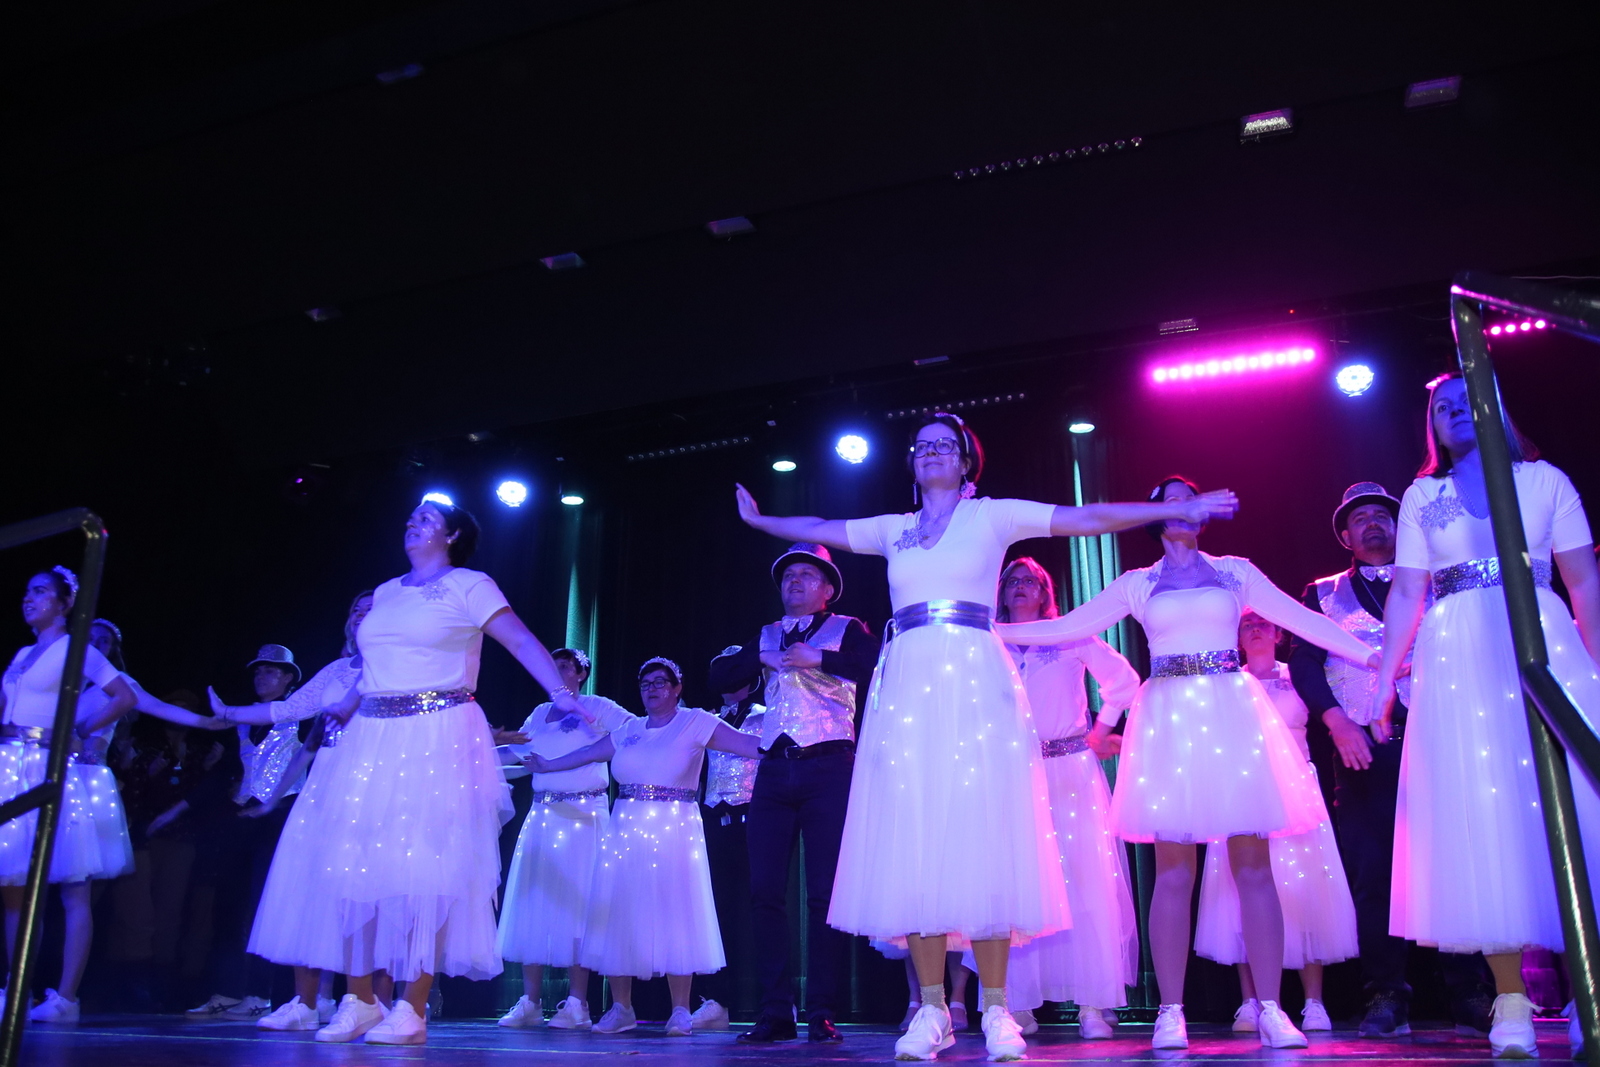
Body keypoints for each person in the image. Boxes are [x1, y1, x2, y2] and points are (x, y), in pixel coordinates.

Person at [734, 415, 1240, 1062]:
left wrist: (1176, 509)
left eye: (944, 445)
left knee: (986, 831)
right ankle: (932, 1008)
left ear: (967, 462)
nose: (931, 452)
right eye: (922, 445)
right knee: (916, 835)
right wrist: (762, 523)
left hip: (976, 678)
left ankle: (998, 1007)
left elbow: (1085, 517)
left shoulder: (991, 516)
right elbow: (821, 526)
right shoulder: (894, 530)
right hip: (910, 684)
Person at [1000, 475, 1381, 1051]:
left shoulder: (1235, 572)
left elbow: (1304, 621)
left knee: (1253, 867)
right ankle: (1171, 1011)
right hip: (1169, 722)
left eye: (1191, 499)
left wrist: (1373, 657)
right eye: (1171, 501)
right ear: (1153, 515)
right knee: (1174, 872)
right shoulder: (1137, 583)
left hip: (1232, 714)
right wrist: (982, 626)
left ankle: (1272, 1007)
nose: (1184, 508)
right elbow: (1063, 627)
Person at [247, 497, 582, 1045]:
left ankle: (413, 1005)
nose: (413, 522)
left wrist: (561, 694)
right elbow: (372, 667)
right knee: (355, 861)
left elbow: (520, 640)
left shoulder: (470, 585)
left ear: (452, 536)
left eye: (427, 518)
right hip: (373, 733)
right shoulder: (385, 592)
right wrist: (347, 704)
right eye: (411, 516)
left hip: (438, 728)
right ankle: (359, 1000)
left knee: (429, 864)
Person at [1376, 374, 1600, 1059]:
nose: (1452, 413)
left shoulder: (1545, 482)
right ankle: (1511, 999)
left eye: (1464, 400)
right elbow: (1406, 590)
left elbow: (1584, 580)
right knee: (1482, 813)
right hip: (1458, 656)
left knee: (1567, 800)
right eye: (1440, 408)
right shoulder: (1423, 496)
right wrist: (1383, 680)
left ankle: (1589, 984)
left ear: (1494, 405)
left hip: (1540, 637)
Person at [1288, 482, 1496, 1038]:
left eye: (1383, 515)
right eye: (1361, 519)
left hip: (1438, 736)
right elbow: (1304, 663)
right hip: (1362, 746)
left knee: (1451, 862)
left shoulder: (1434, 581)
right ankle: (1384, 992)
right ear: (1346, 536)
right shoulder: (1323, 592)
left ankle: (1470, 990)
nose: (1374, 523)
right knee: (1373, 871)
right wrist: (1335, 722)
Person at [528, 658, 762, 1037]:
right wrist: (548, 765)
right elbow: (588, 753)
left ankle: (680, 1009)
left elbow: (748, 744)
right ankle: (621, 1007)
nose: (652, 689)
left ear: (677, 688)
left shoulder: (695, 721)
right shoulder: (630, 730)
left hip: (675, 830)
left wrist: (795, 748)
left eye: (660, 682)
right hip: (625, 829)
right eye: (645, 683)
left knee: (676, 911)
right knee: (620, 912)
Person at [709, 544, 878, 1043]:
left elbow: (876, 663)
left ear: (827, 589)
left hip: (829, 766)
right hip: (775, 770)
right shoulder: (767, 634)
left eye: (806, 574)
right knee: (765, 891)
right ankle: (775, 1010)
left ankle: (821, 1009)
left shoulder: (846, 628)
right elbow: (721, 675)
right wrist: (758, 657)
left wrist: (819, 657)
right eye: (788, 576)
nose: (795, 582)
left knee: (824, 892)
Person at [966, 556, 1140, 1041]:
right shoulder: (986, 641)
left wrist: (1102, 730)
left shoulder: (1069, 635)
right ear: (1000, 592)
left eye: (1031, 581)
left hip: (1069, 769)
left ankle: (1092, 1002)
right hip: (1009, 775)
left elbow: (1124, 682)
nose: (1021, 586)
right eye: (1012, 580)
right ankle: (1014, 1001)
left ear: (1045, 592)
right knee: (1016, 882)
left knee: (1085, 882)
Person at [206, 591, 376, 1031]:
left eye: (372, 609)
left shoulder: (395, 666)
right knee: (308, 888)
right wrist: (229, 712)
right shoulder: (336, 670)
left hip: (371, 780)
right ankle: (305, 1002)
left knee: (362, 892)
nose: (361, 615)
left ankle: (364, 999)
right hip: (325, 785)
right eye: (355, 609)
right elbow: (293, 714)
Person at [1195, 610, 1358, 1035]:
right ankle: (1252, 1001)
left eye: (1263, 623)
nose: (1255, 629)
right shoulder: (1229, 679)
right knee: (1240, 893)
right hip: (1243, 789)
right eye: (1247, 624)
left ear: (1278, 632)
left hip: (1295, 790)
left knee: (1306, 891)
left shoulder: (1297, 677)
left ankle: (1313, 1002)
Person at [0, 567, 136, 1021]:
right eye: (26, 591)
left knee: (73, 886)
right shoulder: (23, 653)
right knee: (14, 887)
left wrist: (78, 730)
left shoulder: (77, 648)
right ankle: (17, 987)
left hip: (49, 765)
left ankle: (66, 997)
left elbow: (123, 696)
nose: (29, 598)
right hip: (11, 766)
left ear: (63, 603)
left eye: (40, 591)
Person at [496, 647, 631, 1032]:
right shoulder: (540, 713)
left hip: (583, 817)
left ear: (580, 673)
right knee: (534, 905)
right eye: (551, 667)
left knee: (578, 906)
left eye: (563, 667)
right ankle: (531, 1001)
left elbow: (634, 733)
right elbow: (518, 751)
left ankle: (577, 1002)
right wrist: (473, 753)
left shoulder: (598, 706)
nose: (555, 672)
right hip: (542, 816)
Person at [180, 644, 308, 1023]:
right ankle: (226, 990)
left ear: (288, 678)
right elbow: (228, 770)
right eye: (257, 671)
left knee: (263, 904)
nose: (261, 677)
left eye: (270, 671)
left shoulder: (301, 715)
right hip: (243, 815)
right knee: (228, 904)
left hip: (281, 815)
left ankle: (259, 992)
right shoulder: (241, 719)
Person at [690, 645, 766, 1031]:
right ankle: (717, 1000)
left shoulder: (765, 716)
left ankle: (772, 1001)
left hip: (754, 822)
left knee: (760, 912)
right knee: (716, 911)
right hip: (713, 822)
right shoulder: (706, 721)